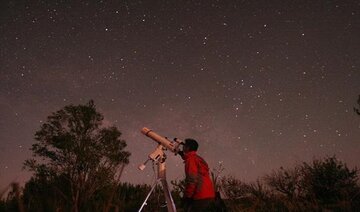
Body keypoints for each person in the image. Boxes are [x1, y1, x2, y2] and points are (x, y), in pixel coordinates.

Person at [179, 138, 215, 212]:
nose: (182, 147)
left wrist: (188, 197)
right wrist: (182, 154)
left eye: (184, 145)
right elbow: (188, 156)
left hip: (200, 195)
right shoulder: (197, 158)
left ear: (188, 148)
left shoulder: (190, 160)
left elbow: (192, 180)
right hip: (209, 194)